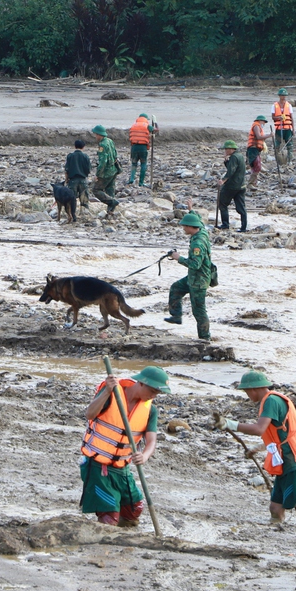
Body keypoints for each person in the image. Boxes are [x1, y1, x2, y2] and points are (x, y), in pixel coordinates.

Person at [214, 371, 296, 527]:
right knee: (275, 509)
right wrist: (256, 448)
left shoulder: (271, 401)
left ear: (253, 389)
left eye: (246, 391)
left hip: (294, 459)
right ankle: (276, 534)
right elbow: (278, 435)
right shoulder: (271, 401)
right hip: (285, 459)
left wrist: (230, 424)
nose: (247, 395)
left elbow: (259, 429)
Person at [79, 366, 170, 527]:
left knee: (134, 511)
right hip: (98, 465)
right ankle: (106, 545)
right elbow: (89, 414)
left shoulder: (150, 410)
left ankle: (121, 537)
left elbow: (151, 441)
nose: (154, 396)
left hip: (122, 468)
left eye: (157, 393)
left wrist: (144, 455)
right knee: (109, 517)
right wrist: (107, 391)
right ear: (141, 383)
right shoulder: (111, 393)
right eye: (152, 391)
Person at [165, 210, 213, 340]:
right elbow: (199, 220)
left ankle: (205, 338)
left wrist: (178, 258)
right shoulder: (202, 230)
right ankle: (176, 316)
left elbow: (195, 264)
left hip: (199, 281)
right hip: (193, 278)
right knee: (176, 288)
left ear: (190, 227)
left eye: (185, 226)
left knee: (199, 311)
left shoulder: (198, 243)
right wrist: (191, 209)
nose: (183, 228)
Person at [215, 140, 248, 233]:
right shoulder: (240, 156)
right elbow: (232, 168)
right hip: (241, 185)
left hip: (232, 186)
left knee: (222, 203)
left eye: (226, 149)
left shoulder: (233, 157)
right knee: (241, 207)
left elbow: (231, 171)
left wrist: (223, 180)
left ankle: (225, 224)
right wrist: (226, 162)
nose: (225, 151)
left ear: (231, 149)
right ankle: (243, 227)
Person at [90, 124, 120, 215]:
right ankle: (110, 210)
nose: (95, 136)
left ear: (99, 134)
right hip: (114, 169)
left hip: (106, 172)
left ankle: (112, 202)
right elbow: (115, 154)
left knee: (96, 190)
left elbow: (103, 161)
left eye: (96, 134)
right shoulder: (110, 141)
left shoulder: (102, 145)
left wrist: (98, 174)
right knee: (110, 189)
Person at [127, 113, 157, 186]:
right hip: (143, 147)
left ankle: (131, 179)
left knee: (134, 163)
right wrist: (155, 123)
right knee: (143, 164)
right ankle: (141, 182)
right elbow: (156, 130)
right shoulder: (147, 126)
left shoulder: (134, 125)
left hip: (134, 146)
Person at [65, 139, 91, 212]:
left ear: (75, 146)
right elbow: (88, 169)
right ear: (83, 147)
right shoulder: (86, 156)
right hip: (83, 179)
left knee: (72, 199)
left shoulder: (70, 156)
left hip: (73, 180)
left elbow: (67, 169)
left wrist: (66, 179)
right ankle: (84, 213)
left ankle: (72, 214)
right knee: (84, 199)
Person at [246, 115, 271, 187]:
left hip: (256, 149)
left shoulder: (259, 127)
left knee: (256, 166)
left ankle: (254, 183)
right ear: (260, 121)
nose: (264, 124)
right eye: (264, 122)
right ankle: (251, 183)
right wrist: (269, 135)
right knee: (257, 166)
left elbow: (261, 139)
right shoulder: (256, 126)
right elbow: (259, 137)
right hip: (252, 149)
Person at [271, 88, 295, 162]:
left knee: (289, 145)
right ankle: (278, 159)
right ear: (279, 96)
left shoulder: (289, 105)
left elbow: (291, 118)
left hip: (287, 129)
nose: (283, 97)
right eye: (282, 95)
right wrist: (279, 117)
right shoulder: (274, 105)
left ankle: (290, 159)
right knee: (277, 144)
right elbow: (273, 117)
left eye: (284, 95)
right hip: (279, 128)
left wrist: (293, 129)